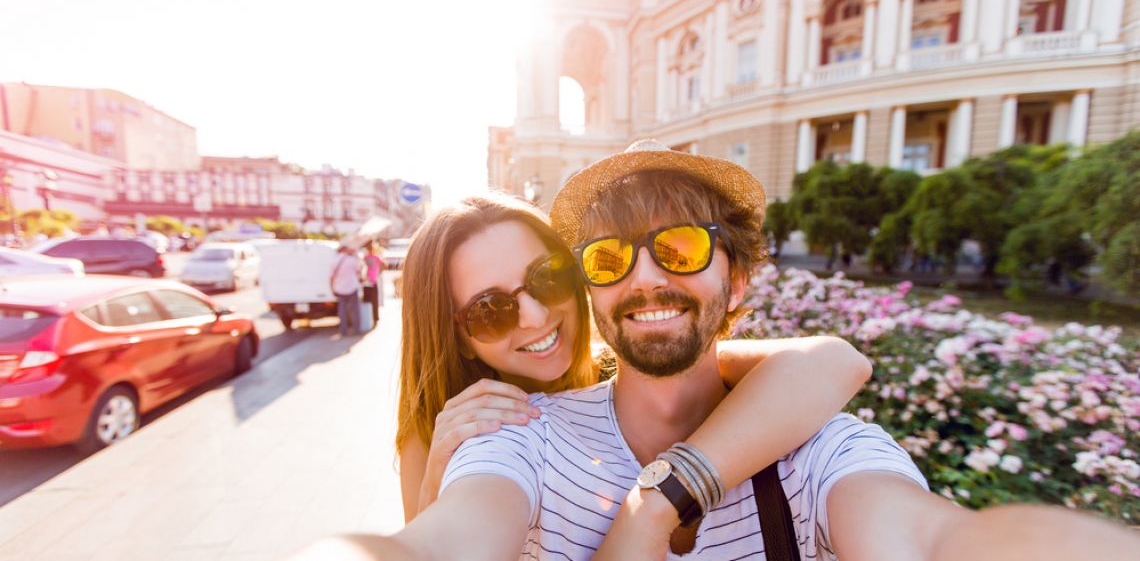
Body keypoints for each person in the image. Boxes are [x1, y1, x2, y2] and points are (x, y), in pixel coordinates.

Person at [299, 142, 1140, 560]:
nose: (642, 277)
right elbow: (447, 535)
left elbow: (927, 536)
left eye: (681, 249)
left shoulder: (808, 439)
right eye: (606, 256)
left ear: (740, 283)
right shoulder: (505, 433)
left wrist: (654, 506)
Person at [394, 192, 870, 522]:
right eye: (490, 310)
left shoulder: (624, 369)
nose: (535, 316)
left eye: (548, 277)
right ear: (454, 336)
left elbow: (838, 362)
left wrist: (661, 505)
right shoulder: (437, 429)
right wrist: (438, 470)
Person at [329, 244, 362, 337]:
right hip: (352, 287)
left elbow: (331, 277)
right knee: (355, 310)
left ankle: (343, 330)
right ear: (344, 250)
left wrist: (332, 289)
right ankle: (357, 329)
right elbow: (359, 272)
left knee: (342, 311)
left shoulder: (334, 261)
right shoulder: (352, 260)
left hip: (339, 289)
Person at [361, 242, 384, 327]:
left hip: (369, 282)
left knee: (370, 301)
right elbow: (384, 265)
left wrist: (377, 273)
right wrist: (378, 273)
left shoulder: (369, 257)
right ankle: (372, 319)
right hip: (370, 282)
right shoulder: (372, 257)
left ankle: (372, 319)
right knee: (372, 302)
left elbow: (383, 265)